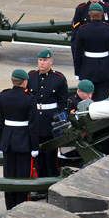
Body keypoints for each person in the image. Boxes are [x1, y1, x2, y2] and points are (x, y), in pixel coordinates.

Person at [0, 69, 40, 210]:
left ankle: (10, 206)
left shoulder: (3, 96)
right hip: (24, 141)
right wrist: (35, 146)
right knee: (22, 176)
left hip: (7, 140)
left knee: (9, 175)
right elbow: (33, 126)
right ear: (24, 82)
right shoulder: (29, 98)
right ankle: (20, 207)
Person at [27, 50, 68, 178]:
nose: (42, 63)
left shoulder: (59, 79)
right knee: (35, 153)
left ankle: (51, 178)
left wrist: (59, 122)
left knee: (50, 155)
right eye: (40, 60)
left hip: (50, 120)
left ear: (51, 61)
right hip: (35, 119)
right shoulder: (31, 76)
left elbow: (62, 104)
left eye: (45, 60)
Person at [72, 3, 109, 102]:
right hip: (106, 68)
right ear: (102, 13)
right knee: (103, 100)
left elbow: (78, 53)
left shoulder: (83, 30)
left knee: (89, 99)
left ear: (89, 14)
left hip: (87, 68)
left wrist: (78, 71)